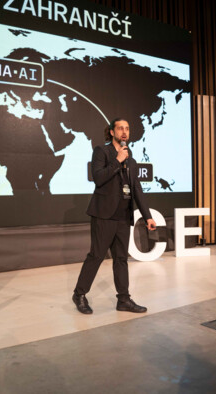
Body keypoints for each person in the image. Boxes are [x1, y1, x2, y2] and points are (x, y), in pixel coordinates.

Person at [72, 118, 157, 314]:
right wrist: (117, 161)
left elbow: (137, 189)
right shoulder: (102, 152)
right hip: (104, 215)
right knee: (96, 256)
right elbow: (98, 178)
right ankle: (79, 294)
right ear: (112, 132)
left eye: (127, 128)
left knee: (121, 259)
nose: (124, 132)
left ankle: (124, 300)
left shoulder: (131, 160)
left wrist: (147, 216)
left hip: (123, 216)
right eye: (120, 128)